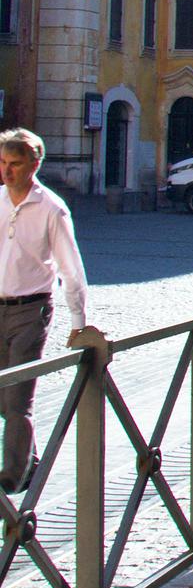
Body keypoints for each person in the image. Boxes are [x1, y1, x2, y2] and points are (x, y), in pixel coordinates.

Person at [0, 128, 88, 494]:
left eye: (15, 164)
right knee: (4, 398)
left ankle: (12, 478)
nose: (7, 171)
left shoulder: (52, 208)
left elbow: (71, 268)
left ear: (35, 164)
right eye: (3, 163)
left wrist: (79, 322)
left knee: (17, 397)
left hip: (31, 310)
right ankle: (29, 461)